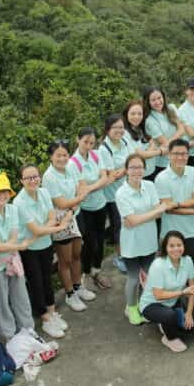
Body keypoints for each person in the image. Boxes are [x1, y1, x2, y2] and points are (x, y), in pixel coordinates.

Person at [14, 164, 71, 339]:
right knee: (36, 282)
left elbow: (51, 219)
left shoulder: (44, 193)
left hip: (45, 243)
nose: (33, 180)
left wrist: (48, 227)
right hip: (29, 248)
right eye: (28, 178)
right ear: (21, 181)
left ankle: (52, 313)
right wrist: (58, 226)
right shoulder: (19, 202)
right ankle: (45, 318)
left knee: (47, 278)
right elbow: (36, 229)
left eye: (35, 176)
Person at [116, 154, 172, 325]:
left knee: (149, 275)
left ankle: (144, 305)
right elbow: (131, 222)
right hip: (131, 243)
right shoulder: (121, 193)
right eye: (132, 167)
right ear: (126, 170)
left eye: (140, 167)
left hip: (149, 240)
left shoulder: (149, 185)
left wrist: (142, 216)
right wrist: (154, 212)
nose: (137, 171)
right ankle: (131, 308)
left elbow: (156, 212)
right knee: (133, 278)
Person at [0, 173, 36, 342]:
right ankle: (9, 336)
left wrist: (11, 246)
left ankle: (28, 329)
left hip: (12, 260)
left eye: (5, 191)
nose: (2, 195)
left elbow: (12, 237)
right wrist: (19, 246)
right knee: (1, 302)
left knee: (21, 295)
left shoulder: (12, 209)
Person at [42, 139, 97, 311]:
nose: (62, 158)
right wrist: (78, 200)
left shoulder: (71, 166)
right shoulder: (49, 176)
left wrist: (75, 202)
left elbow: (82, 185)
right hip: (60, 220)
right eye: (58, 155)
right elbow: (60, 202)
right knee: (64, 259)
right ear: (51, 156)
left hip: (74, 215)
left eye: (65, 154)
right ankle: (69, 294)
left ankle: (78, 286)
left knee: (76, 254)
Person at [140, 230, 194, 353]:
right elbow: (158, 295)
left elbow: (193, 288)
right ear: (165, 247)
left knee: (189, 329)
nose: (176, 249)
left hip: (172, 302)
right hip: (152, 304)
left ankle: (167, 320)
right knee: (169, 317)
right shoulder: (158, 265)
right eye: (171, 246)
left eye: (179, 245)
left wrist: (189, 313)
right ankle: (169, 338)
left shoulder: (187, 261)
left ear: (184, 246)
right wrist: (182, 293)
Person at [70, 126, 119, 292]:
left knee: (100, 241)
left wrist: (91, 188)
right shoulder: (73, 162)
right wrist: (99, 183)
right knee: (90, 243)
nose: (89, 145)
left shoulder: (96, 155)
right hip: (85, 209)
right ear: (78, 140)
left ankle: (96, 271)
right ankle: (85, 274)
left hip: (100, 204)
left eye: (91, 142)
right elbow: (82, 187)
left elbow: (106, 177)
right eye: (85, 142)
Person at [155, 138, 194, 259]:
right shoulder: (161, 178)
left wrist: (177, 204)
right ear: (169, 155)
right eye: (176, 154)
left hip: (193, 231)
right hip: (170, 234)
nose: (180, 157)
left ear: (188, 155)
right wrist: (193, 211)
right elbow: (167, 208)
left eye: (183, 154)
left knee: (192, 271)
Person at [98, 114, 130, 272]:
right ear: (108, 129)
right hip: (112, 195)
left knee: (128, 223)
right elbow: (112, 175)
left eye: (121, 127)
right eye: (115, 128)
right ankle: (121, 257)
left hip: (126, 190)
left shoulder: (124, 142)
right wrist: (128, 168)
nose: (119, 131)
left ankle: (129, 253)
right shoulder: (104, 149)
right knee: (118, 226)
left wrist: (125, 170)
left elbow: (129, 162)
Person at [144, 86, 186, 175]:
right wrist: (179, 133)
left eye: (159, 98)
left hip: (181, 157)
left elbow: (182, 129)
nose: (158, 102)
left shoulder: (171, 108)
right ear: (148, 102)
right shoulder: (149, 120)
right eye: (153, 100)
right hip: (163, 163)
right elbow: (166, 143)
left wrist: (179, 132)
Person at [124, 99, 163, 180]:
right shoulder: (125, 133)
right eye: (133, 114)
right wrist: (160, 152)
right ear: (126, 114)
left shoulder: (141, 128)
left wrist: (147, 152)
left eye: (139, 114)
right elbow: (139, 155)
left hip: (152, 171)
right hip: (140, 176)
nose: (136, 117)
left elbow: (153, 142)